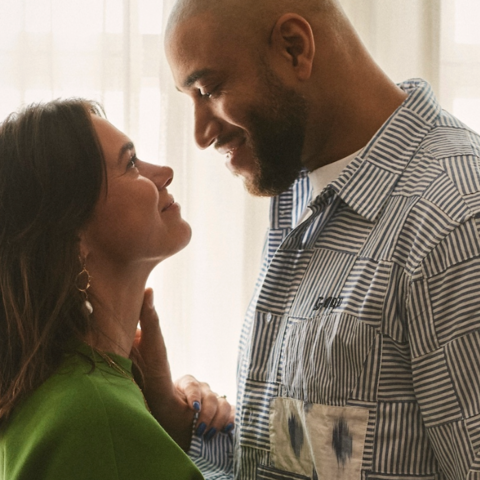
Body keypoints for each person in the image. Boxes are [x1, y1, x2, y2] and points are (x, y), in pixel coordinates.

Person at [165, 0, 480, 478]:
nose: (201, 134)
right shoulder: (297, 194)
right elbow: (302, 464)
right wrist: (179, 424)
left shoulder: (456, 219)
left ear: (294, 49)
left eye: (208, 90)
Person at [0, 98, 234, 479]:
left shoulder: (58, 390)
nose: (165, 172)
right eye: (131, 164)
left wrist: (171, 422)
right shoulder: (96, 415)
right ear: (74, 238)